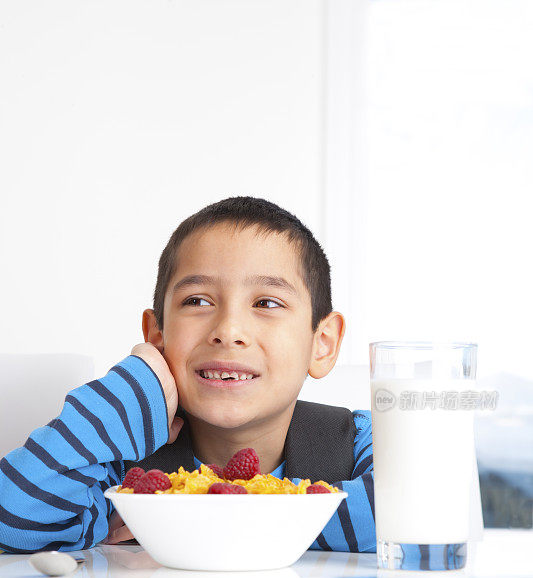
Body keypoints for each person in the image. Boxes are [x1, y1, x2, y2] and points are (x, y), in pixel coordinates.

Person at [0, 197, 375, 554]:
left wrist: (185, 515)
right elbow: (12, 518)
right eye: (197, 301)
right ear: (156, 334)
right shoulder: (111, 460)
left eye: (266, 303)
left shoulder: (359, 441)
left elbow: (419, 512)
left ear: (321, 343)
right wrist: (134, 387)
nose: (228, 330)